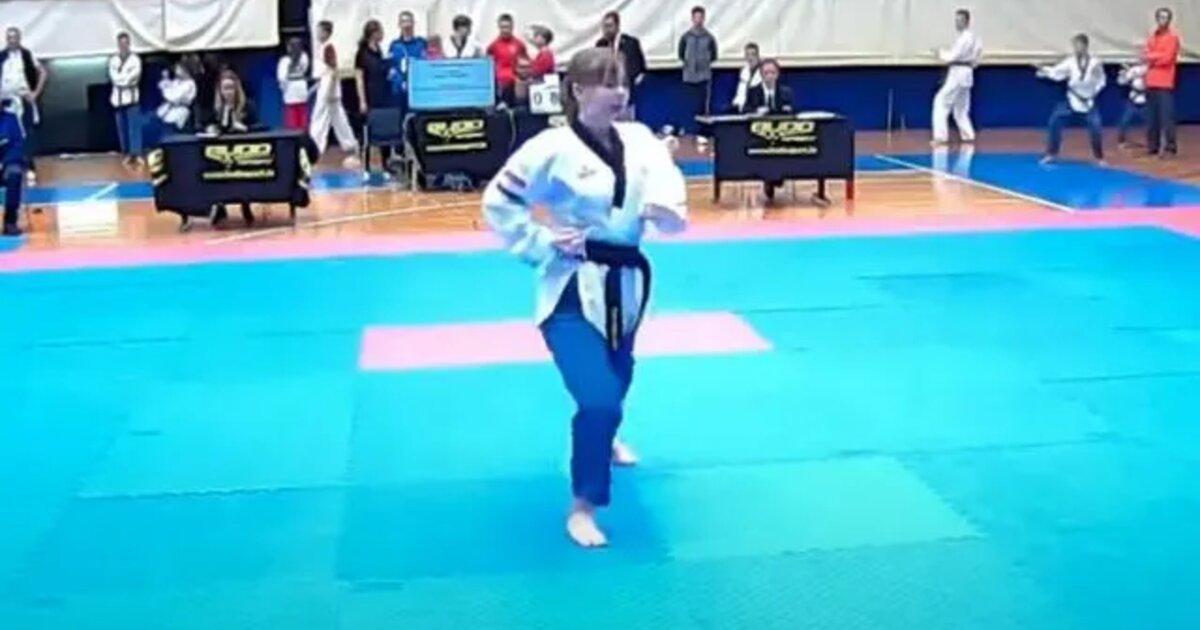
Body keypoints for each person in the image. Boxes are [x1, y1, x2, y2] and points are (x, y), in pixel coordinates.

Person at [482, 48, 687, 548]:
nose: (619, 93)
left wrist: (665, 210)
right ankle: (583, 506)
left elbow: (665, 183)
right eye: (607, 83)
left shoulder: (640, 140)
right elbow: (498, 200)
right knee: (597, 396)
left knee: (619, 373)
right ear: (577, 91)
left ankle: (606, 435)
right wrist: (541, 241)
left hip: (627, 281)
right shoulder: (549, 147)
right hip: (571, 283)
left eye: (623, 83)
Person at [1036, 34, 1106, 166]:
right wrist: (1044, 70)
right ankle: (1051, 154)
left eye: (1078, 45)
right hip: (1072, 98)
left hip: (1088, 101)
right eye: (1074, 45)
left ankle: (1099, 157)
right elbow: (1057, 72)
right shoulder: (1070, 61)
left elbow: (1101, 80)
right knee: (1055, 121)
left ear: (1085, 46)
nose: (1076, 48)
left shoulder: (1095, 63)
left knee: (1096, 127)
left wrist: (1094, 92)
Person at [205, 71, 260, 227]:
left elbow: (260, 127)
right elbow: (205, 123)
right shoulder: (216, 108)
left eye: (231, 88)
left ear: (237, 88)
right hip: (220, 152)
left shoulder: (248, 105)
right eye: (225, 88)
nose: (228, 92)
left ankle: (245, 204)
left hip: (242, 151)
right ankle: (219, 206)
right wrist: (210, 128)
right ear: (220, 90)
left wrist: (245, 128)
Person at [310, 20, 361, 165]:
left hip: (328, 84)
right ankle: (350, 143)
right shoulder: (323, 47)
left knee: (319, 116)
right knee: (339, 118)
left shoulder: (328, 47)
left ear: (326, 32)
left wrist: (329, 89)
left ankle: (315, 145)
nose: (317, 34)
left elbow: (332, 69)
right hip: (327, 83)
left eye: (319, 31)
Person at [742, 59, 794, 203]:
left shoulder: (786, 92)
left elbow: (792, 112)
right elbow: (745, 110)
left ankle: (775, 178)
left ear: (777, 74)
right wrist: (756, 112)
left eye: (772, 72)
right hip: (759, 135)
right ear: (761, 75)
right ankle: (769, 179)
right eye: (766, 73)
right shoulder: (753, 91)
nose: (769, 76)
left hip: (781, 134)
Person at [0, 28, 47, 186]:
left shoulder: (27, 55)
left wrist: (35, 93)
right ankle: (8, 168)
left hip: (23, 100)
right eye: (9, 38)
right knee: (8, 137)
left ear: (19, 39)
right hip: (6, 103)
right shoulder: (1, 57)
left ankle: (29, 167)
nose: (12, 40)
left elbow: (43, 72)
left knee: (26, 134)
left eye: (15, 37)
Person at [931, 9, 982, 146]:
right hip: (967, 74)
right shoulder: (975, 39)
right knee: (961, 109)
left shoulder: (965, 39)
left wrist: (940, 54)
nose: (957, 23)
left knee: (941, 102)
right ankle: (968, 135)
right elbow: (977, 57)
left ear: (966, 21)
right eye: (956, 20)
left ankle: (941, 137)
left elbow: (953, 56)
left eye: (960, 20)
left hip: (958, 73)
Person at [356, 19, 396, 178]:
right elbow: (359, 78)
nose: (382, 34)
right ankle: (366, 167)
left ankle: (385, 165)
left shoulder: (379, 50)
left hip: (383, 94)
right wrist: (362, 100)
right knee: (369, 132)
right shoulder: (362, 53)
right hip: (370, 95)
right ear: (373, 33)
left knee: (384, 130)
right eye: (380, 31)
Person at [1142, 7, 1180, 158]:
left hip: (1165, 83)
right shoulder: (1151, 37)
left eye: (1165, 17)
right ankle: (1153, 147)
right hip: (1150, 81)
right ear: (1156, 19)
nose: (1163, 20)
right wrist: (1155, 56)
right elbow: (1145, 55)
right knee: (1152, 119)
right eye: (1160, 17)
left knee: (1166, 118)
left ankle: (1170, 148)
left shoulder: (1173, 38)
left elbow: (1168, 59)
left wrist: (1152, 57)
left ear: (1169, 20)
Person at [677, 6, 717, 141]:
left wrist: (703, 64)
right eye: (696, 17)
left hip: (704, 77)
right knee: (688, 106)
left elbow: (714, 55)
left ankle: (702, 134)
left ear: (704, 19)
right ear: (692, 19)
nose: (698, 20)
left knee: (702, 106)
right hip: (689, 77)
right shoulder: (685, 37)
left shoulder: (709, 38)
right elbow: (681, 54)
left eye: (701, 17)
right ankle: (688, 131)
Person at [596, 12, 645, 118]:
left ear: (617, 26)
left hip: (625, 91)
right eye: (604, 27)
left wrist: (632, 79)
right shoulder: (600, 44)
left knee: (626, 122)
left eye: (610, 26)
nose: (606, 30)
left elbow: (640, 66)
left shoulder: (631, 43)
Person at [107, 32, 143, 166]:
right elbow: (114, 78)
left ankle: (136, 154)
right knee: (122, 128)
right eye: (121, 43)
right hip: (118, 99)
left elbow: (133, 78)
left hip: (131, 98)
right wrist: (122, 79)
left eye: (125, 43)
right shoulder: (113, 60)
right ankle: (126, 153)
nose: (123, 46)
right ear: (118, 44)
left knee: (133, 128)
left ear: (129, 44)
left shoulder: (135, 60)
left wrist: (122, 79)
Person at [488, 14, 529, 107]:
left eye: (507, 27)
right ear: (499, 27)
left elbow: (526, 64)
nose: (505, 30)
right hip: (500, 86)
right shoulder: (493, 46)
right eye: (502, 27)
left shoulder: (519, 44)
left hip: (516, 86)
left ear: (512, 27)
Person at [0, 96, 25, 236]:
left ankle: (10, 221)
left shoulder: (11, 119)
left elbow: (17, 146)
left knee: (15, 172)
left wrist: (4, 163)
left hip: (6, 163)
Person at [278, 37, 311, 131]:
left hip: (290, 88)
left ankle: (293, 136)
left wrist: (283, 88)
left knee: (292, 118)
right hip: (301, 87)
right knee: (303, 116)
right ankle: (304, 135)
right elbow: (305, 70)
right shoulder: (305, 57)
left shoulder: (284, 61)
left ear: (289, 47)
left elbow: (282, 78)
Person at [1116, 63, 1148, 149]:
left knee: (1151, 122)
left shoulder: (1148, 69)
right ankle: (1121, 141)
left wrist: (1136, 73)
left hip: (1145, 101)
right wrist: (1123, 74)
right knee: (1124, 121)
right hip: (1133, 101)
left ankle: (1152, 140)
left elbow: (1145, 75)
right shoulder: (1133, 70)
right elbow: (1121, 82)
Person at [731, 42, 762, 112]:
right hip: (744, 106)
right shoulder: (744, 71)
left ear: (758, 56)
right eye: (747, 55)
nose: (750, 58)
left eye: (753, 54)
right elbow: (740, 93)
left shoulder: (763, 71)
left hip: (757, 106)